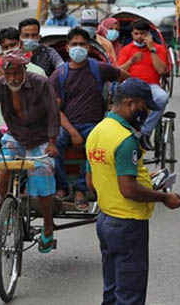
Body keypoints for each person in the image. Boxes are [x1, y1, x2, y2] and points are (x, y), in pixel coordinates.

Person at [86, 78, 180, 305]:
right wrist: (164, 197)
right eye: (144, 108)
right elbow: (128, 189)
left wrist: (144, 177)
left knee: (111, 292)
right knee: (130, 295)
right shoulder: (126, 139)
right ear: (130, 103)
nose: (146, 113)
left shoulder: (97, 132)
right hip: (128, 223)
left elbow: (92, 181)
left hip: (105, 221)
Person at [0, 49, 60, 253]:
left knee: (42, 175)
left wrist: (52, 142)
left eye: (16, 74)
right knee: (3, 167)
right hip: (15, 135)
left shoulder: (40, 83)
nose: (12, 79)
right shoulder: (0, 85)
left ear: (24, 70)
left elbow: (53, 112)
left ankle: (48, 224)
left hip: (41, 137)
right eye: (8, 75)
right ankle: (5, 206)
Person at [50, 27, 130, 207]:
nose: (78, 48)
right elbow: (55, 109)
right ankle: (61, 187)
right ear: (68, 47)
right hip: (67, 125)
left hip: (94, 125)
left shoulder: (99, 68)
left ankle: (81, 188)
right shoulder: (59, 75)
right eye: (75, 44)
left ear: (88, 47)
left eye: (82, 44)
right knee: (53, 145)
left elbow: (125, 78)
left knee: (98, 146)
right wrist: (72, 132)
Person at [0, 27, 45, 175]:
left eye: (13, 45)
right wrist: (1, 75)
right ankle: (2, 192)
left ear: (20, 45)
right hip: (1, 129)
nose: (10, 50)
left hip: (31, 130)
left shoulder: (37, 72)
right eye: (6, 47)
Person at [117, 20, 170, 150]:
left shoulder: (159, 49)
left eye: (142, 34)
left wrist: (152, 49)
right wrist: (131, 61)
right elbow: (118, 71)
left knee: (162, 98)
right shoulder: (126, 49)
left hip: (151, 85)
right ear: (132, 34)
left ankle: (145, 132)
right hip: (131, 84)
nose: (139, 36)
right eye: (136, 34)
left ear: (148, 34)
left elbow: (161, 70)